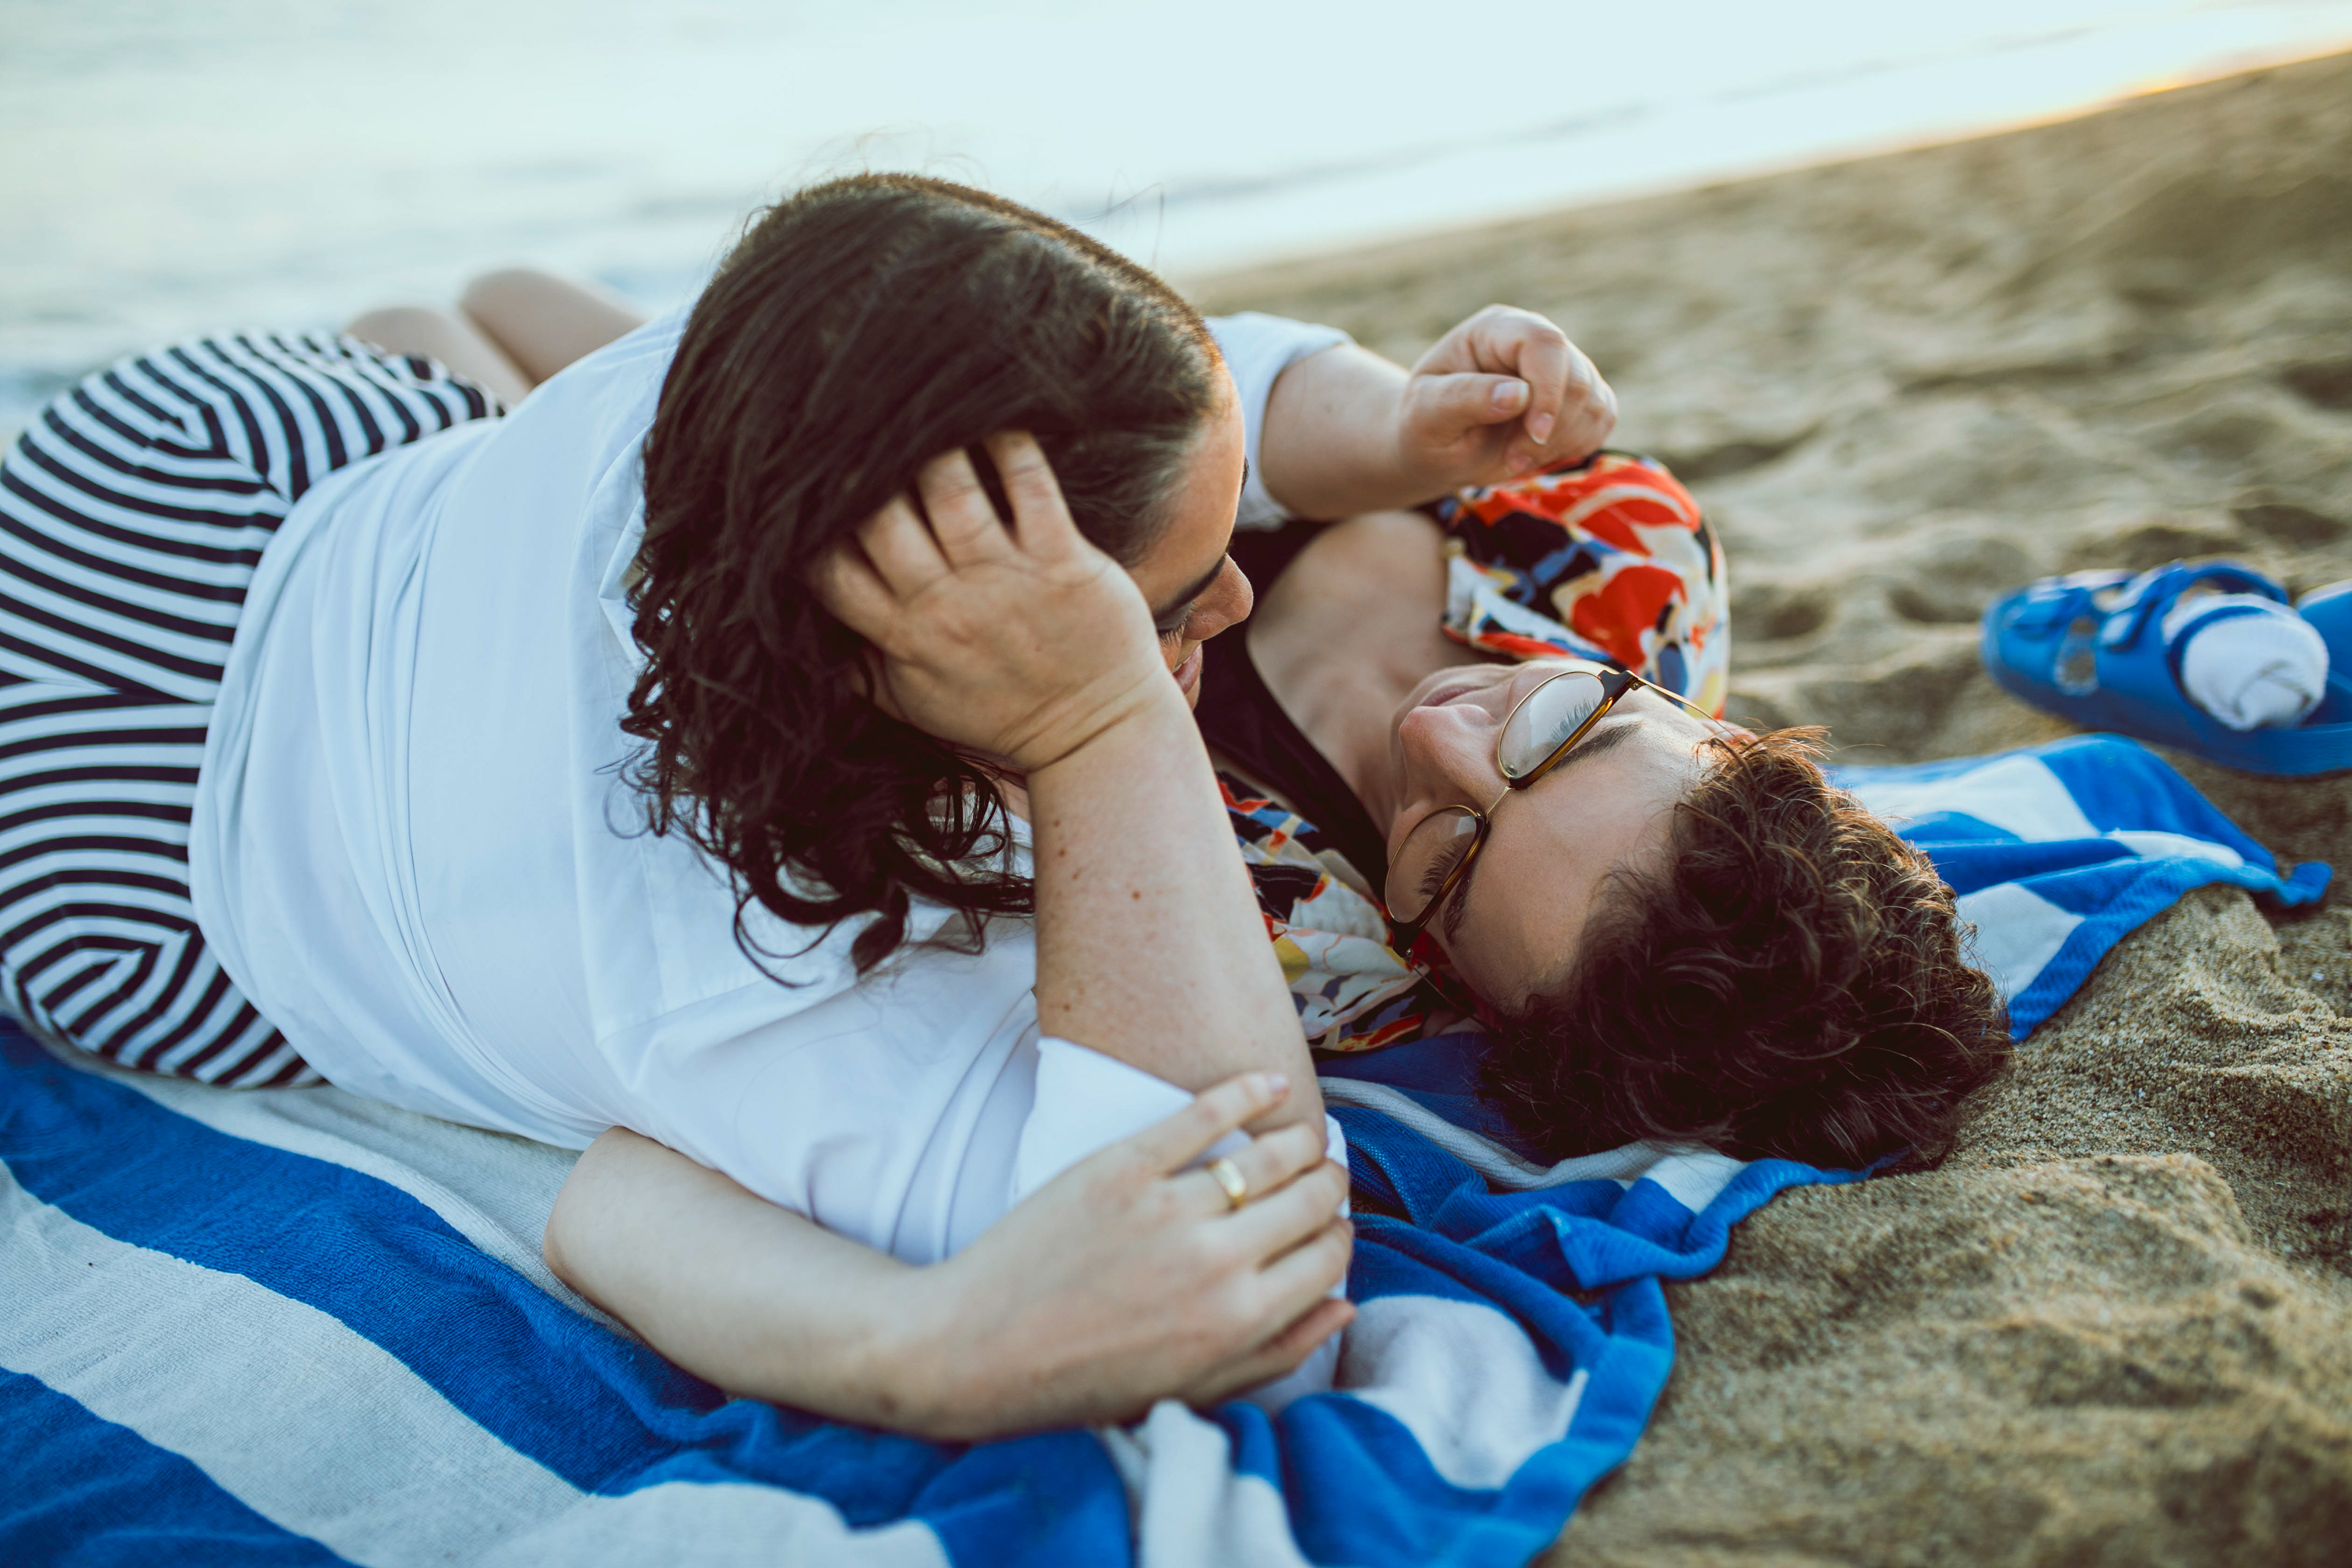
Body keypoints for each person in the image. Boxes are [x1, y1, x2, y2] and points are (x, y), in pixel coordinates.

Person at [0, 174, 1618, 1437]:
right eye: (1165, 610)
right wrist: (1096, 719)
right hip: (124, 880)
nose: (1234, 608)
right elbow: (1241, 1259)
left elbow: (1162, 406)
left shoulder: (741, 383)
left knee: (449, 342)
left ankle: (452, 390)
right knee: (453, 353)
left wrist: (1359, 446)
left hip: (191, 464)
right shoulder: (753, 979)